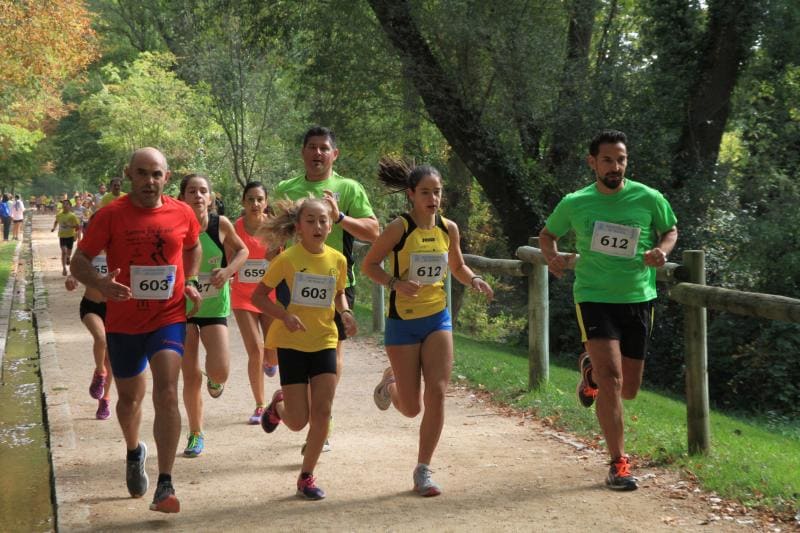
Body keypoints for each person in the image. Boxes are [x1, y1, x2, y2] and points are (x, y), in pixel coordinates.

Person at [538, 129, 678, 491]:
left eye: (621, 159)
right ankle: (619, 463)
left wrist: (662, 251)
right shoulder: (576, 202)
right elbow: (547, 234)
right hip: (594, 296)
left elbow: (670, 230)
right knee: (612, 381)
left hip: (637, 298)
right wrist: (552, 257)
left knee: (628, 388)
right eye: (607, 160)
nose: (615, 166)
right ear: (592, 163)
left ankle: (590, 374)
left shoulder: (649, 198)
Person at [70, 147, 202, 513]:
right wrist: (101, 283)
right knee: (128, 401)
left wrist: (189, 280)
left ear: (167, 176)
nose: (149, 181)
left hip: (168, 317)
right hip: (124, 321)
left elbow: (192, 248)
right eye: (142, 173)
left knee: (167, 392)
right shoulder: (110, 216)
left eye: (156, 174)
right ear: (129, 174)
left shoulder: (182, 213)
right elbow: (78, 260)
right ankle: (133, 450)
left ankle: (165, 483)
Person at [363, 158, 493, 497]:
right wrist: (395, 283)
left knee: (436, 391)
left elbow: (458, 266)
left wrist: (475, 279)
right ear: (411, 195)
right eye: (425, 192)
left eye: (436, 192)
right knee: (411, 407)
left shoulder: (448, 229)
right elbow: (369, 265)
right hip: (402, 323)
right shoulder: (399, 228)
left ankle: (423, 469)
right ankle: (389, 383)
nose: (432, 198)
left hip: (437, 318)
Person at [272, 125, 379, 450]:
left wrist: (341, 217)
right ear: (303, 152)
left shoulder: (348, 187)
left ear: (335, 154)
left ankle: (322, 424)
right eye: (312, 147)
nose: (318, 153)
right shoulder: (287, 187)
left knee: (331, 353)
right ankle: (288, 406)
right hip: (294, 281)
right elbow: (276, 235)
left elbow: (373, 231)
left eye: (324, 148)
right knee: (300, 351)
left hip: (337, 282)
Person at [252, 197, 357, 500]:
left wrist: (346, 312)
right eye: (310, 220)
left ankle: (306, 476)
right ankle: (279, 407)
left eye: (323, 220)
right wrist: (284, 316)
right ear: (298, 227)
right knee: (298, 422)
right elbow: (259, 298)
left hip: (324, 339)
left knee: (323, 412)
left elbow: (339, 295)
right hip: (292, 343)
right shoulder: (286, 260)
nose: (318, 226)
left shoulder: (338, 259)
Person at [177, 174, 248, 457]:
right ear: (182, 197)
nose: (197, 196)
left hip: (213, 306)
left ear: (211, 197)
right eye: (192, 191)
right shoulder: (174, 226)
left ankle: (215, 378)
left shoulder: (221, 224)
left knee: (220, 370)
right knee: (190, 375)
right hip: (180, 310)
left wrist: (228, 270)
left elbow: (242, 250)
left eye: (202, 191)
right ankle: (195, 433)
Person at [229, 182, 281, 424]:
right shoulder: (234, 228)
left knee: (272, 352)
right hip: (242, 296)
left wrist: (275, 257)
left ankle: (272, 361)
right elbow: (229, 257)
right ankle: (260, 405)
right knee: (255, 350)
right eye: (250, 199)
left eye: (259, 199)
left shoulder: (274, 228)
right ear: (243, 202)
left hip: (268, 294)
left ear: (266, 202)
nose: (255, 204)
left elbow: (282, 260)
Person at [65, 270, 114, 420]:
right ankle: (100, 372)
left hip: (116, 309)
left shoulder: (124, 247)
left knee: (110, 358)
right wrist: (72, 278)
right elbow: (77, 268)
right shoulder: (90, 247)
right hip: (91, 306)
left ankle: (104, 399)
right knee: (101, 338)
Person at [51, 199, 81, 276]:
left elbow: (78, 226)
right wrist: (54, 228)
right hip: (62, 236)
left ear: (70, 206)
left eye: (67, 204)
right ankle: (64, 268)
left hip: (70, 235)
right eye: (64, 204)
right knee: (63, 251)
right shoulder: (59, 215)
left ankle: (68, 257)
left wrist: (70, 226)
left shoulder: (72, 216)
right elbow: (56, 221)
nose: (65, 205)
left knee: (69, 252)